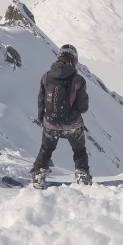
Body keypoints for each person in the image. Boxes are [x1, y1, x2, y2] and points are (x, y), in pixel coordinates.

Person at [31, 44, 92, 188]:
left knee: (46, 149)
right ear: (74, 59)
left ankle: (39, 175)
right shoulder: (78, 80)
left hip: (50, 124)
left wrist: (43, 119)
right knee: (79, 150)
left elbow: (41, 101)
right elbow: (83, 107)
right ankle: (82, 174)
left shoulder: (46, 77)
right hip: (72, 124)